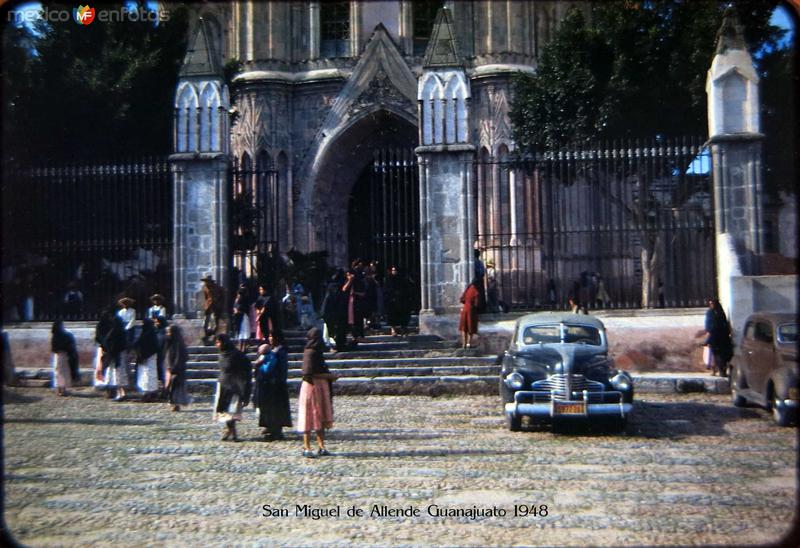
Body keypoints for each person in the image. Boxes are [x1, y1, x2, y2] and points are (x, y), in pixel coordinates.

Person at [298, 327, 335, 458]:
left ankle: (321, 446)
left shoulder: (317, 352)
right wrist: (328, 376)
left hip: (320, 387)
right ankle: (306, 446)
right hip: (311, 388)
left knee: (320, 416)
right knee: (309, 416)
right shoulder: (310, 353)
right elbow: (308, 373)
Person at [253, 333, 292, 441]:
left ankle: (276, 430)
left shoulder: (280, 352)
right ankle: (269, 426)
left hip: (276, 384)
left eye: (272, 336)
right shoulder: (272, 350)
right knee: (269, 408)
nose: (270, 338)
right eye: (269, 336)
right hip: (268, 384)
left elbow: (281, 369)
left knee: (276, 408)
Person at [213, 334, 252, 442]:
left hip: (234, 386)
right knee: (225, 411)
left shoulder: (236, 355)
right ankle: (229, 430)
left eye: (219, 342)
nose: (217, 345)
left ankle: (232, 432)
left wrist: (244, 387)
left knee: (231, 412)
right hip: (223, 385)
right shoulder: (222, 354)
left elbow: (246, 368)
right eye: (216, 342)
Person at [696, 298, 734, 377]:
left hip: (721, 338)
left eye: (713, 303)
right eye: (711, 304)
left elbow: (723, 325)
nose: (712, 305)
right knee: (715, 356)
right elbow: (710, 327)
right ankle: (716, 371)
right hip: (715, 338)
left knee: (721, 356)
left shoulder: (720, 313)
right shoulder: (711, 313)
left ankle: (722, 371)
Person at [163, 324, 191, 412]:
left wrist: (174, 368)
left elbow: (180, 357)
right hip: (170, 368)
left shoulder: (178, 344)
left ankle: (176, 404)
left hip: (177, 370)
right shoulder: (170, 342)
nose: (168, 334)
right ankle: (173, 403)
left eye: (169, 332)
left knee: (176, 387)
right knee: (171, 387)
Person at [103, 312, 129, 401]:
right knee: (120, 374)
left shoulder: (113, 331)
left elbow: (107, 342)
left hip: (115, 356)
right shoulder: (123, 331)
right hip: (121, 354)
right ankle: (122, 392)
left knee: (117, 375)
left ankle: (120, 393)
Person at [133, 318, 160, 402]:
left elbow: (139, 344)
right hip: (149, 358)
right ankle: (149, 393)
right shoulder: (152, 334)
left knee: (146, 376)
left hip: (147, 359)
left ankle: (147, 394)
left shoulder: (146, 334)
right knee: (148, 376)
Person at [50, 321, 77, 396]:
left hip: (57, 355)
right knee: (63, 373)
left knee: (58, 372)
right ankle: (63, 390)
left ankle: (59, 390)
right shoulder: (65, 335)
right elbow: (69, 346)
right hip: (64, 355)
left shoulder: (54, 335)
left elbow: (53, 348)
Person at [384, 265, 411, 337]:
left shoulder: (402, 279)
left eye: (395, 270)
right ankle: (393, 329)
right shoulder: (388, 279)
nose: (394, 272)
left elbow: (406, 289)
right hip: (392, 300)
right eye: (393, 270)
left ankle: (403, 329)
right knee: (392, 315)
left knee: (403, 315)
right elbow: (386, 289)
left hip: (401, 300)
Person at [459, 278, 482, 349]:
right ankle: (469, 343)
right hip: (471, 310)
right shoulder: (476, 291)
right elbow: (477, 303)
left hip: (465, 309)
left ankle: (464, 343)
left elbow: (462, 299)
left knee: (464, 327)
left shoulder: (467, 289)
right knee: (470, 327)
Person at [202, 275, 226, 343]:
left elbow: (222, 296)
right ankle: (207, 337)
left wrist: (220, 304)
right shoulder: (205, 288)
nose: (205, 283)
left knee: (215, 324)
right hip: (208, 307)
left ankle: (213, 336)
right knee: (205, 324)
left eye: (206, 281)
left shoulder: (217, 288)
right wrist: (206, 304)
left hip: (216, 307)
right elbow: (206, 297)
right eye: (205, 282)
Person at [232, 287, 251, 352]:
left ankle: (244, 347)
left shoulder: (245, 301)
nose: (238, 295)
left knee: (244, 332)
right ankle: (240, 346)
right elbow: (234, 307)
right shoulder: (237, 300)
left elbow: (246, 309)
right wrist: (235, 310)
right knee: (240, 332)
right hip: (238, 318)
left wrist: (239, 311)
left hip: (244, 317)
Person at [473, 248, 487, 314]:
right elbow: (483, 272)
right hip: (480, 280)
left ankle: (477, 308)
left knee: (477, 294)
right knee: (480, 294)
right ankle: (482, 308)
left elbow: (480, 271)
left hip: (476, 280)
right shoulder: (480, 262)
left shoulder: (474, 262)